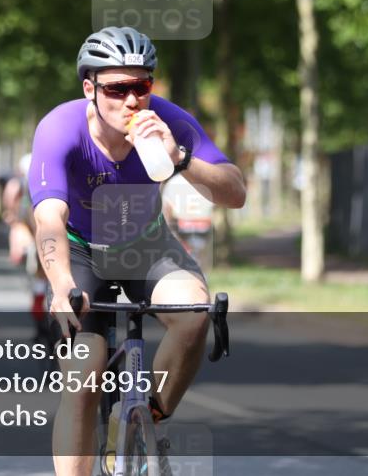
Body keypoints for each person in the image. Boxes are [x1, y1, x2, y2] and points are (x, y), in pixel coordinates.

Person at [30, 27, 246, 476]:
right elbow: (48, 218)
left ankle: (143, 419)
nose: (132, 101)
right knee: (84, 374)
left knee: (195, 312)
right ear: (90, 89)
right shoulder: (60, 129)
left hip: (145, 243)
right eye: (116, 88)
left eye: (141, 86)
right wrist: (62, 284)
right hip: (82, 248)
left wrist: (182, 158)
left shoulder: (169, 121)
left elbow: (235, 193)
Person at [2, 153, 50, 345]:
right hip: (49, 238)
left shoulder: (21, 185)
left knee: (39, 281)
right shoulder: (48, 180)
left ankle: (39, 323)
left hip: (39, 238)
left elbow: (11, 206)